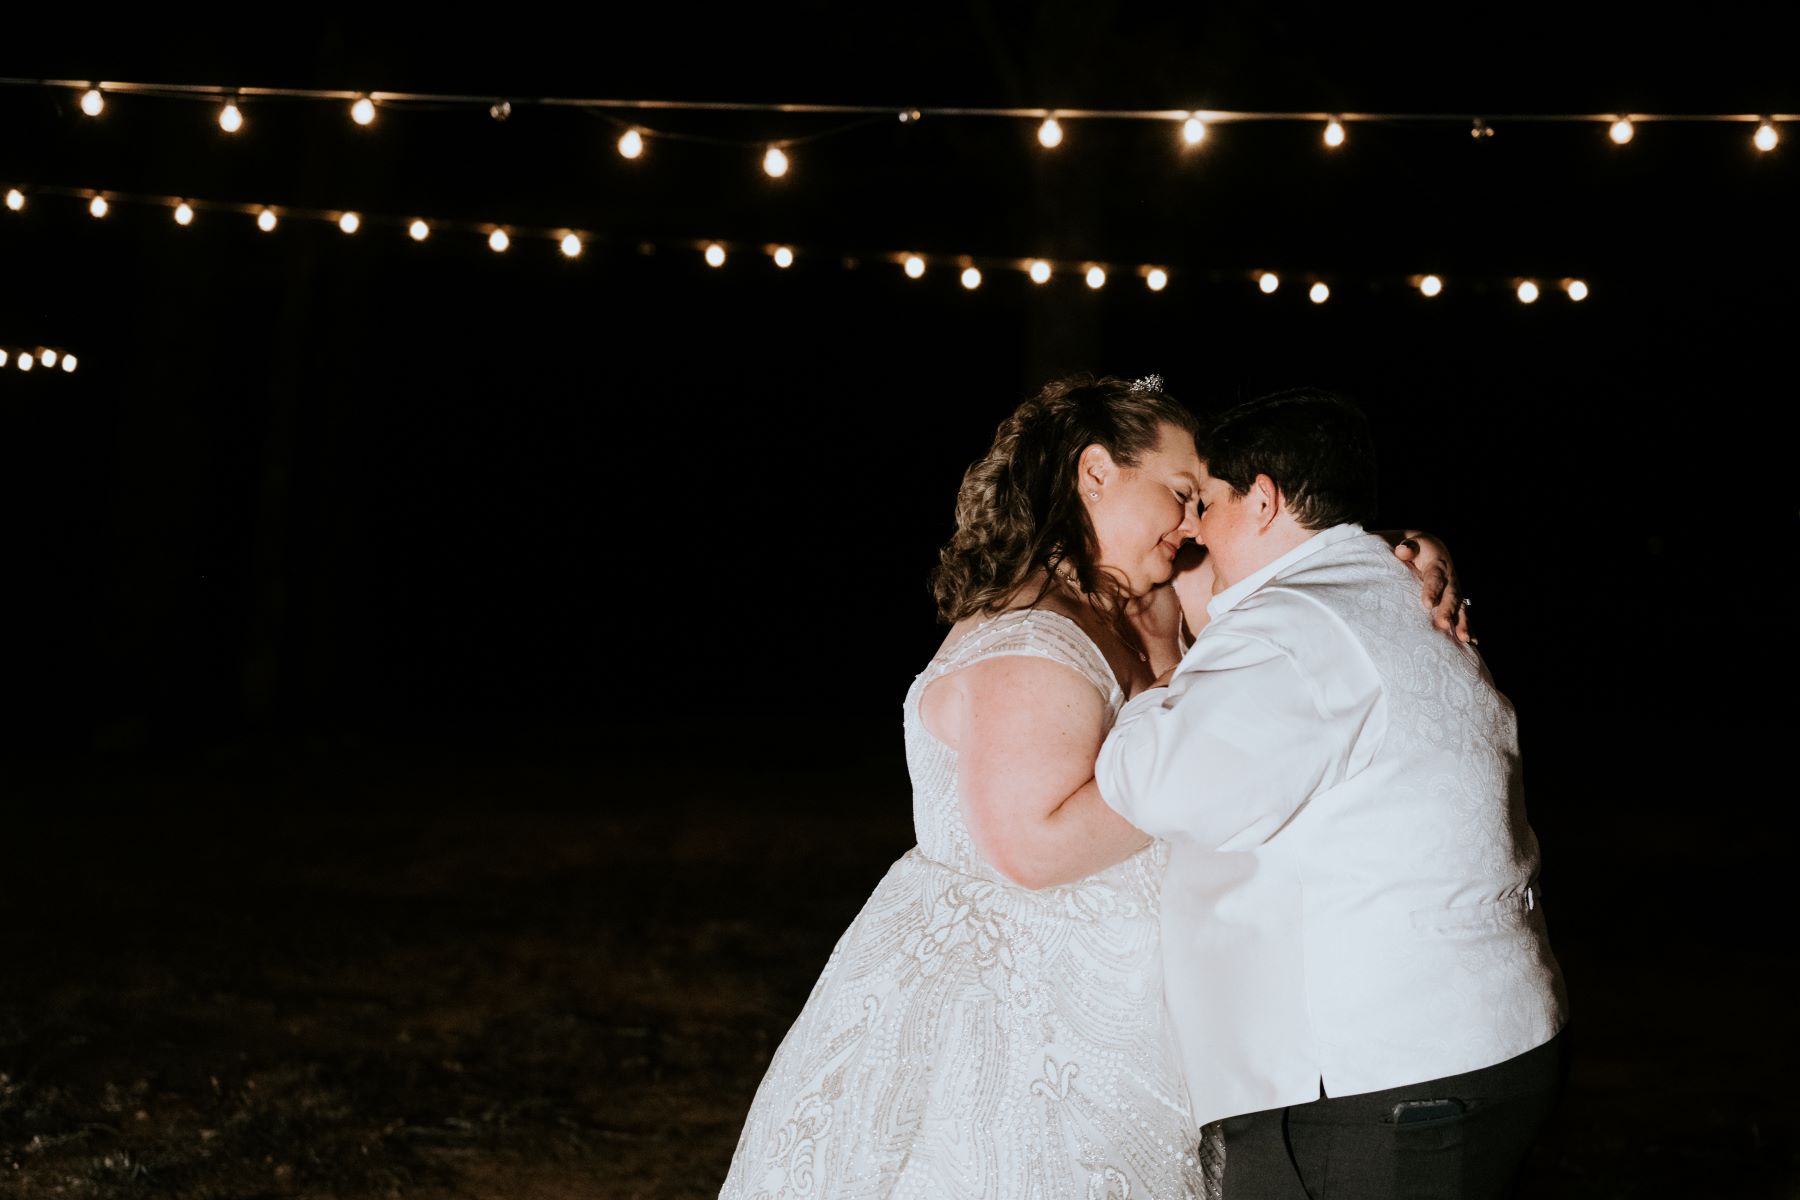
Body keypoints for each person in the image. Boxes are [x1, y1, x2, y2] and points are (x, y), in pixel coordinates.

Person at [719, 375, 1467, 1200]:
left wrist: (1411, 555)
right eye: (1181, 495)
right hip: (1021, 1018)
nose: (1192, 525)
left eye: (1202, 502)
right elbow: (1033, 846)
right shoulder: (1031, 641)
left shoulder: (1161, 593)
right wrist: (1215, 773)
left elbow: (1297, 560)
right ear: (1096, 472)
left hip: (1150, 993)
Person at [1095, 388, 1569, 1200]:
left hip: (1377, 1082)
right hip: (1494, 1036)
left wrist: (1149, 684)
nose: (1194, 530)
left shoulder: (1294, 632)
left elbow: (1156, 786)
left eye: (1206, 503)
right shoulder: (1386, 592)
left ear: (1266, 499)